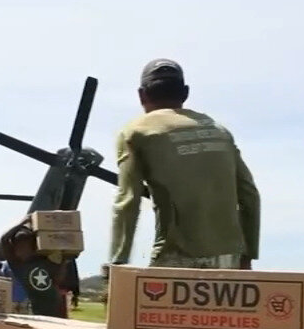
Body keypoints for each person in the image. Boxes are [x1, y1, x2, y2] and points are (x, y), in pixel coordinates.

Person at [107, 59, 260, 272]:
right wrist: (248, 254)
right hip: (229, 257)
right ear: (185, 93)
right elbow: (249, 194)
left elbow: (128, 201)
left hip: (176, 253)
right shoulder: (218, 130)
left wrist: (117, 264)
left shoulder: (136, 132)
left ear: (141, 94)